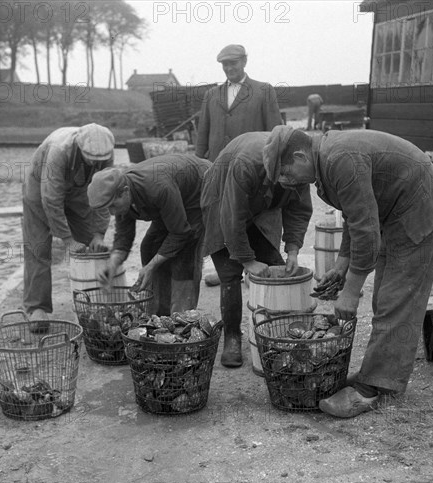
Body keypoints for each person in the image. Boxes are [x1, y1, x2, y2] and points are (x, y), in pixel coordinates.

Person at [273, 125, 433, 418]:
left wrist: (351, 292)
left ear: (299, 156)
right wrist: (341, 265)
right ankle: (376, 374)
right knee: (386, 294)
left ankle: (371, 390)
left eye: (286, 173)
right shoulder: (324, 161)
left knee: (396, 297)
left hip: (419, 203)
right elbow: (355, 215)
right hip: (396, 207)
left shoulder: (339, 159)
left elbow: (367, 232)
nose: (286, 181)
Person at [201, 129, 313, 368]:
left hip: (260, 203)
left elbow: (299, 210)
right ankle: (232, 336)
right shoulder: (246, 164)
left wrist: (293, 249)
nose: (287, 177)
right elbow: (231, 217)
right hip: (221, 198)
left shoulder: (298, 167)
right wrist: (248, 261)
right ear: (274, 168)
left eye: (287, 175)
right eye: (281, 175)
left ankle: (278, 333)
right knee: (230, 272)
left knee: (276, 265)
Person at [196, 43, 284, 286]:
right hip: (219, 168)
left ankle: (253, 269)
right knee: (223, 216)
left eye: (233, 63)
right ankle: (229, 267)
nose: (229, 68)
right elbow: (203, 133)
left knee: (256, 216)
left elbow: (275, 132)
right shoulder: (212, 95)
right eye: (224, 64)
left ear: (244, 61)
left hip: (253, 167)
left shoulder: (263, 91)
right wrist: (200, 161)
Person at [87, 154, 212, 315]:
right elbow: (123, 237)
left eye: (113, 206)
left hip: (201, 189)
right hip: (174, 196)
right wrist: (112, 265)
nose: (112, 213)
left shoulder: (158, 188)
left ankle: (182, 318)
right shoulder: (120, 193)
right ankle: (160, 314)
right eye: (107, 208)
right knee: (149, 247)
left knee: (184, 256)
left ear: (125, 192)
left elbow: (180, 233)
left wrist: (151, 267)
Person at [22, 123, 115, 332]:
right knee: (39, 247)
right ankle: (36, 307)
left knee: (92, 244)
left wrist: (99, 234)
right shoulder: (59, 151)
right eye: (92, 159)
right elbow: (51, 200)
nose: (97, 163)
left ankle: (93, 300)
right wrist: (68, 240)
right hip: (40, 189)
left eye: (101, 160)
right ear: (80, 148)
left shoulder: (106, 154)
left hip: (78, 190)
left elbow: (104, 193)